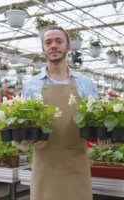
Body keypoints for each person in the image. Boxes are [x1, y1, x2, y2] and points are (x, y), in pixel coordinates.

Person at [20, 26, 98, 200]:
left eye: (58, 41)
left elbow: (96, 122)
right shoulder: (30, 86)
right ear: (43, 49)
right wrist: (21, 140)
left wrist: (104, 137)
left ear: (68, 47)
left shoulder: (85, 83)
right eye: (48, 42)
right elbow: (23, 124)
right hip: (44, 164)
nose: (53, 45)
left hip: (76, 163)